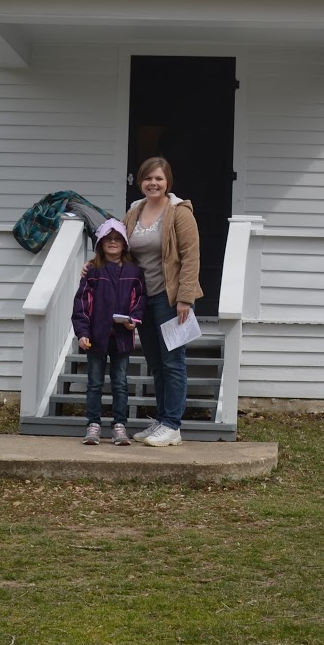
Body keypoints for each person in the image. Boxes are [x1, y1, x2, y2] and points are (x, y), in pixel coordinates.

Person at [122, 156, 201, 447]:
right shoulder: (134, 212)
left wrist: (185, 299)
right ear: (140, 181)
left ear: (168, 181)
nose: (153, 183)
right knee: (156, 363)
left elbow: (191, 257)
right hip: (144, 300)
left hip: (171, 300)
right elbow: (116, 244)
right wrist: (93, 266)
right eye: (147, 178)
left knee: (173, 363)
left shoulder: (179, 212)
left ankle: (172, 425)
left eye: (158, 178)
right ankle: (161, 419)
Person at [70, 218, 145, 446]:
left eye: (117, 239)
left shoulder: (134, 272)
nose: (113, 243)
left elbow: (140, 300)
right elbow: (81, 303)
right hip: (95, 337)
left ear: (124, 244)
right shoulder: (93, 271)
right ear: (101, 244)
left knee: (120, 382)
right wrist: (82, 332)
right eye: (108, 239)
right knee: (94, 383)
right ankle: (93, 425)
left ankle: (119, 425)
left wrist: (133, 319)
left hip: (121, 337)